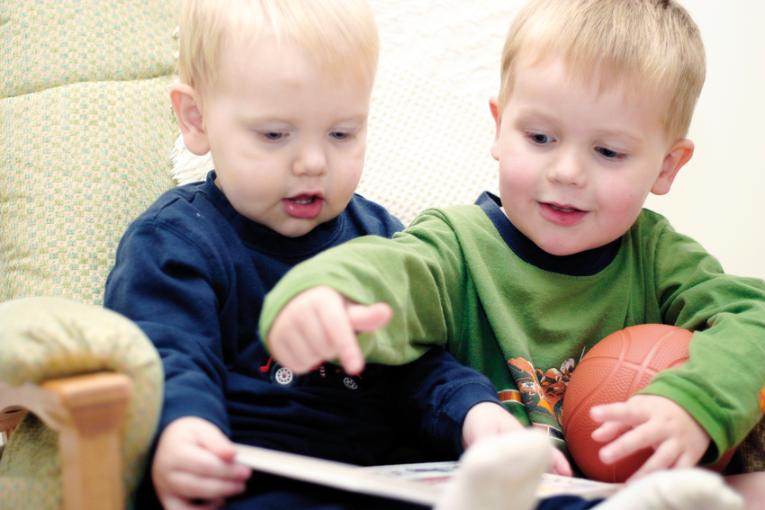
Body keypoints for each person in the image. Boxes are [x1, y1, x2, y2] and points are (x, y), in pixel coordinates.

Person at [260, 0, 765, 508]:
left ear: (667, 166)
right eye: (540, 137)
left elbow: (754, 319)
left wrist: (698, 404)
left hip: (630, 489)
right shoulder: (458, 244)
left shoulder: (657, 257)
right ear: (500, 128)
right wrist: (324, 293)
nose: (567, 171)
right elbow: (388, 271)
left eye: (608, 151)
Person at [103, 1, 540, 509]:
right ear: (197, 119)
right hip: (245, 476)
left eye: (341, 134)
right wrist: (181, 429)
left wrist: (475, 414)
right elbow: (164, 355)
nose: (312, 162)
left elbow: (420, 364)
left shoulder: (377, 238)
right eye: (274, 134)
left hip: (384, 477)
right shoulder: (176, 241)